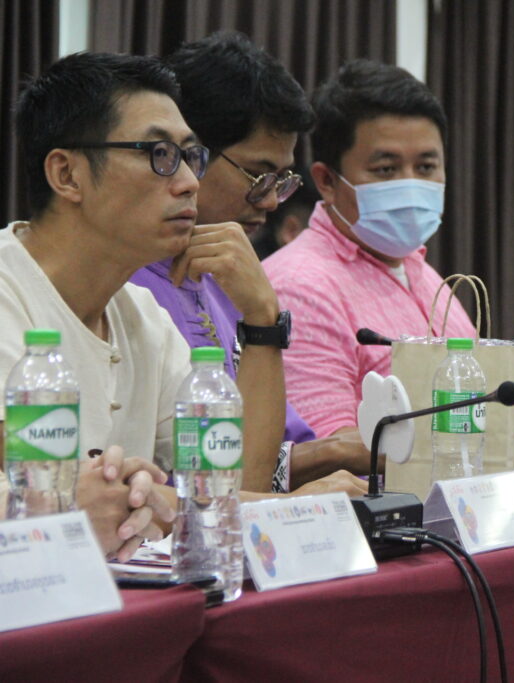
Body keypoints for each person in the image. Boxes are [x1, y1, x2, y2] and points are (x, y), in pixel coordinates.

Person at [4, 52, 362, 548]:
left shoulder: (142, 315)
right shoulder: (9, 291)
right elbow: (47, 501)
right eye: (159, 155)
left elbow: (228, 487)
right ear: (67, 175)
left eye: (191, 156)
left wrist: (262, 320)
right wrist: (293, 508)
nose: (190, 182)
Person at [129, 33, 366, 495]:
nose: (272, 201)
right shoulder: (123, 283)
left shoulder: (228, 274)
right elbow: (188, 479)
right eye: (258, 176)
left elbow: (266, 452)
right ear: (185, 155)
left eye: (281, 179)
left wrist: (333, 453)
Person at [262, 60, 478, 441]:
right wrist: (491, 435)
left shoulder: (424, 275)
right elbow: (328, 450)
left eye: (426, 166)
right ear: (327, 181)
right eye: (386, 170)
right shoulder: (299, 288)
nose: (411, 185)